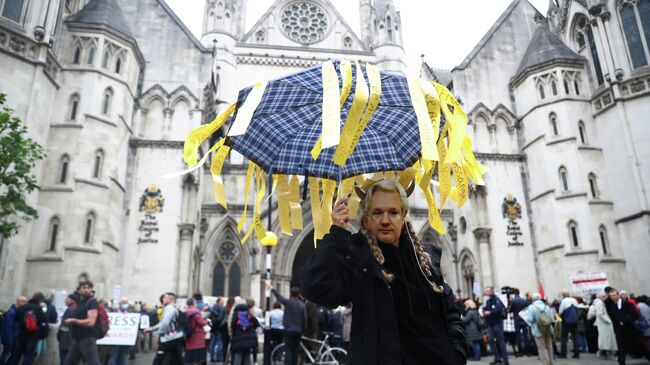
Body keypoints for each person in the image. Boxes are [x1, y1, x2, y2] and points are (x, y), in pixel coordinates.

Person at [302, 179, 468, 365]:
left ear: (403, 215)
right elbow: (316, 289)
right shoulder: (359, 259)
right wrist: (337, 235)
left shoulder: (426, 259)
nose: (385, 220)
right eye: (378, 212)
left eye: (393, 212)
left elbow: (449, 310)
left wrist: (457, 352)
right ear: (368, 218)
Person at [267, 281, 307, 365]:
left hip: (288, 330)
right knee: (296, 351)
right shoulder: (302, 305)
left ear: (291, 294)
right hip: (298, 330)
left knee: (288, 350)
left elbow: (278, 296)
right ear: (299, 294)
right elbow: (304, 320)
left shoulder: (287, 303)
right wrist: (303, 330)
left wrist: (271, 287)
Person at [62, 281, 101, 365]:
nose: (86, 290)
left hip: (87, 338)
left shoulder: (92, 302)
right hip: (77, 339)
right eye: (84, 288)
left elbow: (91, 322)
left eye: (89, 288)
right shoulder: (80, 302)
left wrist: (74, 321)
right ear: (79, 290)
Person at [609, 289, 650, 365]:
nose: (612, 297)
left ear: (618, 295)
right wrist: (615, 329)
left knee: (639, 346)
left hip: (630, 330)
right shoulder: (612, 306)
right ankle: (621, 362)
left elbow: (635, 314)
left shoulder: (627, 304)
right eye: (611, 296)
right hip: (620, 331)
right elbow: (613, 319)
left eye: (614, 295)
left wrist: (625, 320)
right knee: (621, 347)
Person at [7, 292, 48, 365]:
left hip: (21, 334)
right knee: (29, 355)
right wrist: (42, 335)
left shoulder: (22, 307)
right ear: (40, 300)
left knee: (16, 354)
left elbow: (16, 319)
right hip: (33, 335)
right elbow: (43, 321)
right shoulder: (38, 308)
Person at [145, 292, 185, 365]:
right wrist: (151, 329)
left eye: (164, 298)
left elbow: (165, 322)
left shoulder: (169, 308)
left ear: (170, 299)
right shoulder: (172, 308)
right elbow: (163, 322)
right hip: (175, 337)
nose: (163, 299)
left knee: (158, 359)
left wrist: (159, 333)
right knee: (178, 359)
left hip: (168, 338)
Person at [525, 293, 554, 365]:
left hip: (537, 330)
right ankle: (551, 362)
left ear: (533, 300)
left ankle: (545, 363)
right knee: (549, 346)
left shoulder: (531, 307)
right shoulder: (546, 306)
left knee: (542, 348)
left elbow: (530, 319)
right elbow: (552, 319)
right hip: (548, 328)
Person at [229, 298, 259, 365]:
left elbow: (232, 325)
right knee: (247, 354)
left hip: (238, 338)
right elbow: (257, 323)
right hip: (249, 339)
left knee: (238, 355)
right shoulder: (248, 314)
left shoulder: (236, 314)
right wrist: (251, 328)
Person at [484, 287, 508, 365]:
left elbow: (499, 310)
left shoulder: (497, 300)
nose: (486, 292)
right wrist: (484, 311)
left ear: (491, 292)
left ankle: (505, 361)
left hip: (497, 323)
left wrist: (490, 312)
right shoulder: (488, 301)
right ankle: (497, 358)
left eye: (488, 291)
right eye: (486, 291)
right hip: (490, 324)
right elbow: (487, 309)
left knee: (501, 342)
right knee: (490, 340)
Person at [0, 296, 27, 364]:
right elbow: (8, 327)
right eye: (23, 301)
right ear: (17, 301)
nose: (25, 303)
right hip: (10, 338)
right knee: (6, 354)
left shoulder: (18, 311)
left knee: (9, 354)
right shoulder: (12, 312)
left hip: (14, 337)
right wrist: (10, 339)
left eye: (26, 301)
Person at [184, 298, 208, 365]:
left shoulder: (186, 311)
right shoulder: (195, 311)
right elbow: (201, 322)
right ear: (193, 303)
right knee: (198, 354)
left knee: (189, 352)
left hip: (188, 334)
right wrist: (206, 321)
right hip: (196, 335)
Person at [508, 289, 531, 356]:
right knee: (526, 335)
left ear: (514, 293)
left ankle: (520, 351)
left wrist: (509, 308)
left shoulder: (513, 301)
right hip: (524, 318)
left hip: (517, 319)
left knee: (518, 336)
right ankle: (528, 351)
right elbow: (528, 308)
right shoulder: (524, 300)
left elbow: (510, 310)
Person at [557, 289, 579, 358]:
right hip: (575, 321)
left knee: (564, 338)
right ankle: (577, 353)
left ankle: (564, 354)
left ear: (563, 295)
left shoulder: (564, 301)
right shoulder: (574, 300)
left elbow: (560, 312)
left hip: (566, 322)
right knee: (575, 337)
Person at [57, 294, 78, 364]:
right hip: (73, 339)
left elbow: (64, 326)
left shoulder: (70, 310)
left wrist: (59, 336)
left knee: (64, 359)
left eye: (67, 299)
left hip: (66, 339)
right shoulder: (77, 308)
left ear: (72, 300)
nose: (65, 301)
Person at [208, 297, 225, 363]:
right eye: (222, 300)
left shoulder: (213, 308)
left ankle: (212, 358)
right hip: (219, 328)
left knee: (212, 343)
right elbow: (220, 318)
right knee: (220, 344)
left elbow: (210, 317)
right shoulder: (221, 308)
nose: (223, 302)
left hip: (213, 328)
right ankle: (218, 358)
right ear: (219, 301)